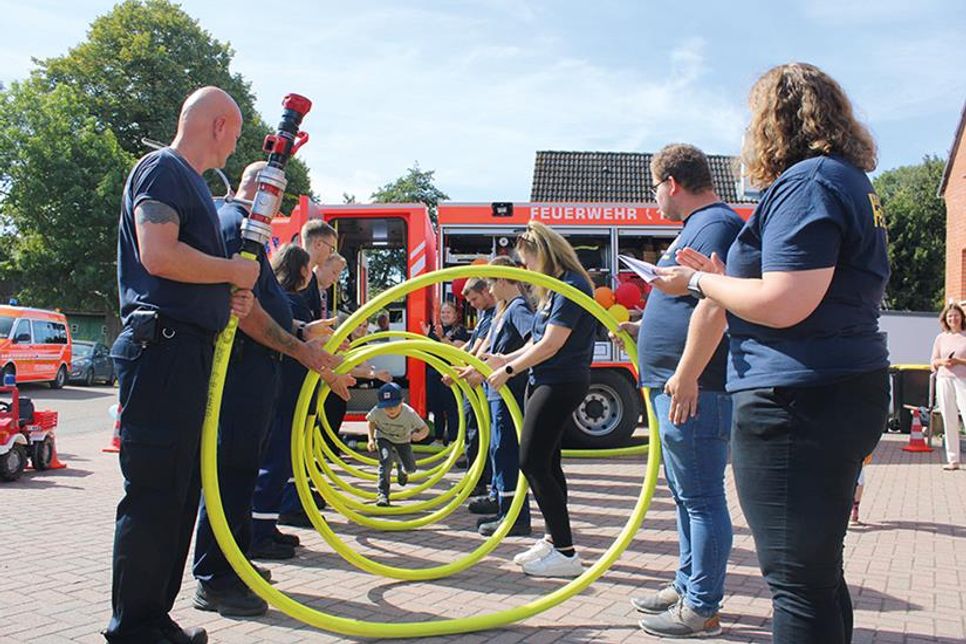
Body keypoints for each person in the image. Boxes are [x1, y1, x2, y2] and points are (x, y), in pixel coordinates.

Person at [652, 63, 890, 643]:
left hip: (797, 400)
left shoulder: (807, 182)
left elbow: (786, 302)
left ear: (772, 120)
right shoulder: (845, 178)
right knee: (814, 576)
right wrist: (729, 277)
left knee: (795, 583)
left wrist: (703, 285)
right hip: (836, 388)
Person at [106, 86, 259, 644]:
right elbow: (158, 254)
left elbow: (183, 268)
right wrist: (228, 275)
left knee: (177, 493)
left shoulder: (186, 182)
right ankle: (135, 628)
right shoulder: (165, 170)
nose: (234, 147)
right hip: (163, 351)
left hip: (181, 350)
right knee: (156, 494)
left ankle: (152, 620)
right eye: (236, 134)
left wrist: (227, 295)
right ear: (219, 125)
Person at [191, 162, 339, 617]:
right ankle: (218, 577)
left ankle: (235, 564)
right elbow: (245, 311)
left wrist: (296, 329)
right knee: (232, 473)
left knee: (239, 471)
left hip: (252, 369)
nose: (279, 203)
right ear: (262, 191)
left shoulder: (246, 230)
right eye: (277, 192)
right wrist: (300, 349)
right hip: (242, 370)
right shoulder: (240, 229)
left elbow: (259, 305)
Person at [618, 144, 742, 638]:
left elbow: (718, 303)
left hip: (694, 387)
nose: (655, 201)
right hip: (676, 382)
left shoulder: (715, 226)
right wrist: (642, 323)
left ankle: (703, 608)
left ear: (671, 182)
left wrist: (688, 373)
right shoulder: (698, 228)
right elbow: (690, 300)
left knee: (702, 497)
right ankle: (689, 585)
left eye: (654, 188)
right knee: (685, 495)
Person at [486, 220, 596, 578]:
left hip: (560, 380)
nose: (527, 270)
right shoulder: (553, 290)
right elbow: (538, 340)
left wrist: (509, 372)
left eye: (528, 262)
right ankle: (555, 541)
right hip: (546, 378)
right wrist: (505, 361)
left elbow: (553, 344)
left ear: (544, 255)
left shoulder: (571, 286)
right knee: (548, 463)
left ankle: (565, 551)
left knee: (531, 461)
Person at [249, 244, 355, 559]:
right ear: (302, 271)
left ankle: (267, 527)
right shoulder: (290, 301)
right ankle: (259, 533)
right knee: (275, 461)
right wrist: (331, 372)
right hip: (284, 393)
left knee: (283, 460)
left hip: (289, 393)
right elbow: (294, 346)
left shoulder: (286, 302)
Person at [462, 255, 534, 537]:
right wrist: (475, 368)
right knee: (498, 449)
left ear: (504, 280)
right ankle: (504, 509)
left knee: (506, 451)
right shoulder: (505, 310)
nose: (489, 290)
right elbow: (488, 351)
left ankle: (514, 517)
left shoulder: (517, 308)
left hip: (509, 392)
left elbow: (533, 342)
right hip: (497, 392)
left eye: (492, 283)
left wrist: (506, 366)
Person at [366, 382, 430, 506]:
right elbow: (371, 422)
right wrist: (371, 439)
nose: (390, 410)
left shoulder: (409, 413)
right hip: (384, 437)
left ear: (402, 401)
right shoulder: (377, 411)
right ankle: (383, 495)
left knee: (411, 468)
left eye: (394, 406)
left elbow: (425, 428)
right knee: (386, 462)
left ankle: (402, 469)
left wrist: (419, 436)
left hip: (403, 440)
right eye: (386, 406)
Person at [422, 301, 470, 444]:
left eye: (448, 312)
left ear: (455, 315)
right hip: (433, 373)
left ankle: (454, 439)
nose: (445, 315)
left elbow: (457, 350)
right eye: (443, 312)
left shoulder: (460, 331)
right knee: (436, 407)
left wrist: (442, 339)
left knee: (451, 407)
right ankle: (438, 438)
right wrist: (427, 336)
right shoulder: (435, 329)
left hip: (450, 372)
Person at [930, 302, 966, 470]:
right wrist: (942, 362)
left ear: (962, 317)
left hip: (963, 380)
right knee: (948, 418)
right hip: (944, 379)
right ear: (945, 319)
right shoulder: (941, 338)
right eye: (950, 316)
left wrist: (959, 361)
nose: (953, 318)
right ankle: (953, 459)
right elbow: (933, 362)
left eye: (956, 315)